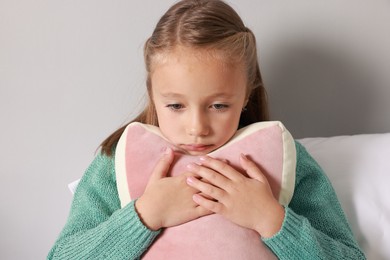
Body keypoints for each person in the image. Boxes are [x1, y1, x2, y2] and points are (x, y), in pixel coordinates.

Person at [48, 0, 365, 259]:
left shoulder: (287, 161)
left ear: (245, 96)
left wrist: (271, 220)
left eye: (218, 106)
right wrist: (144, 216)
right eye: (176, 106)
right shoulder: (113, 166)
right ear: (153, 93)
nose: (197, 128)